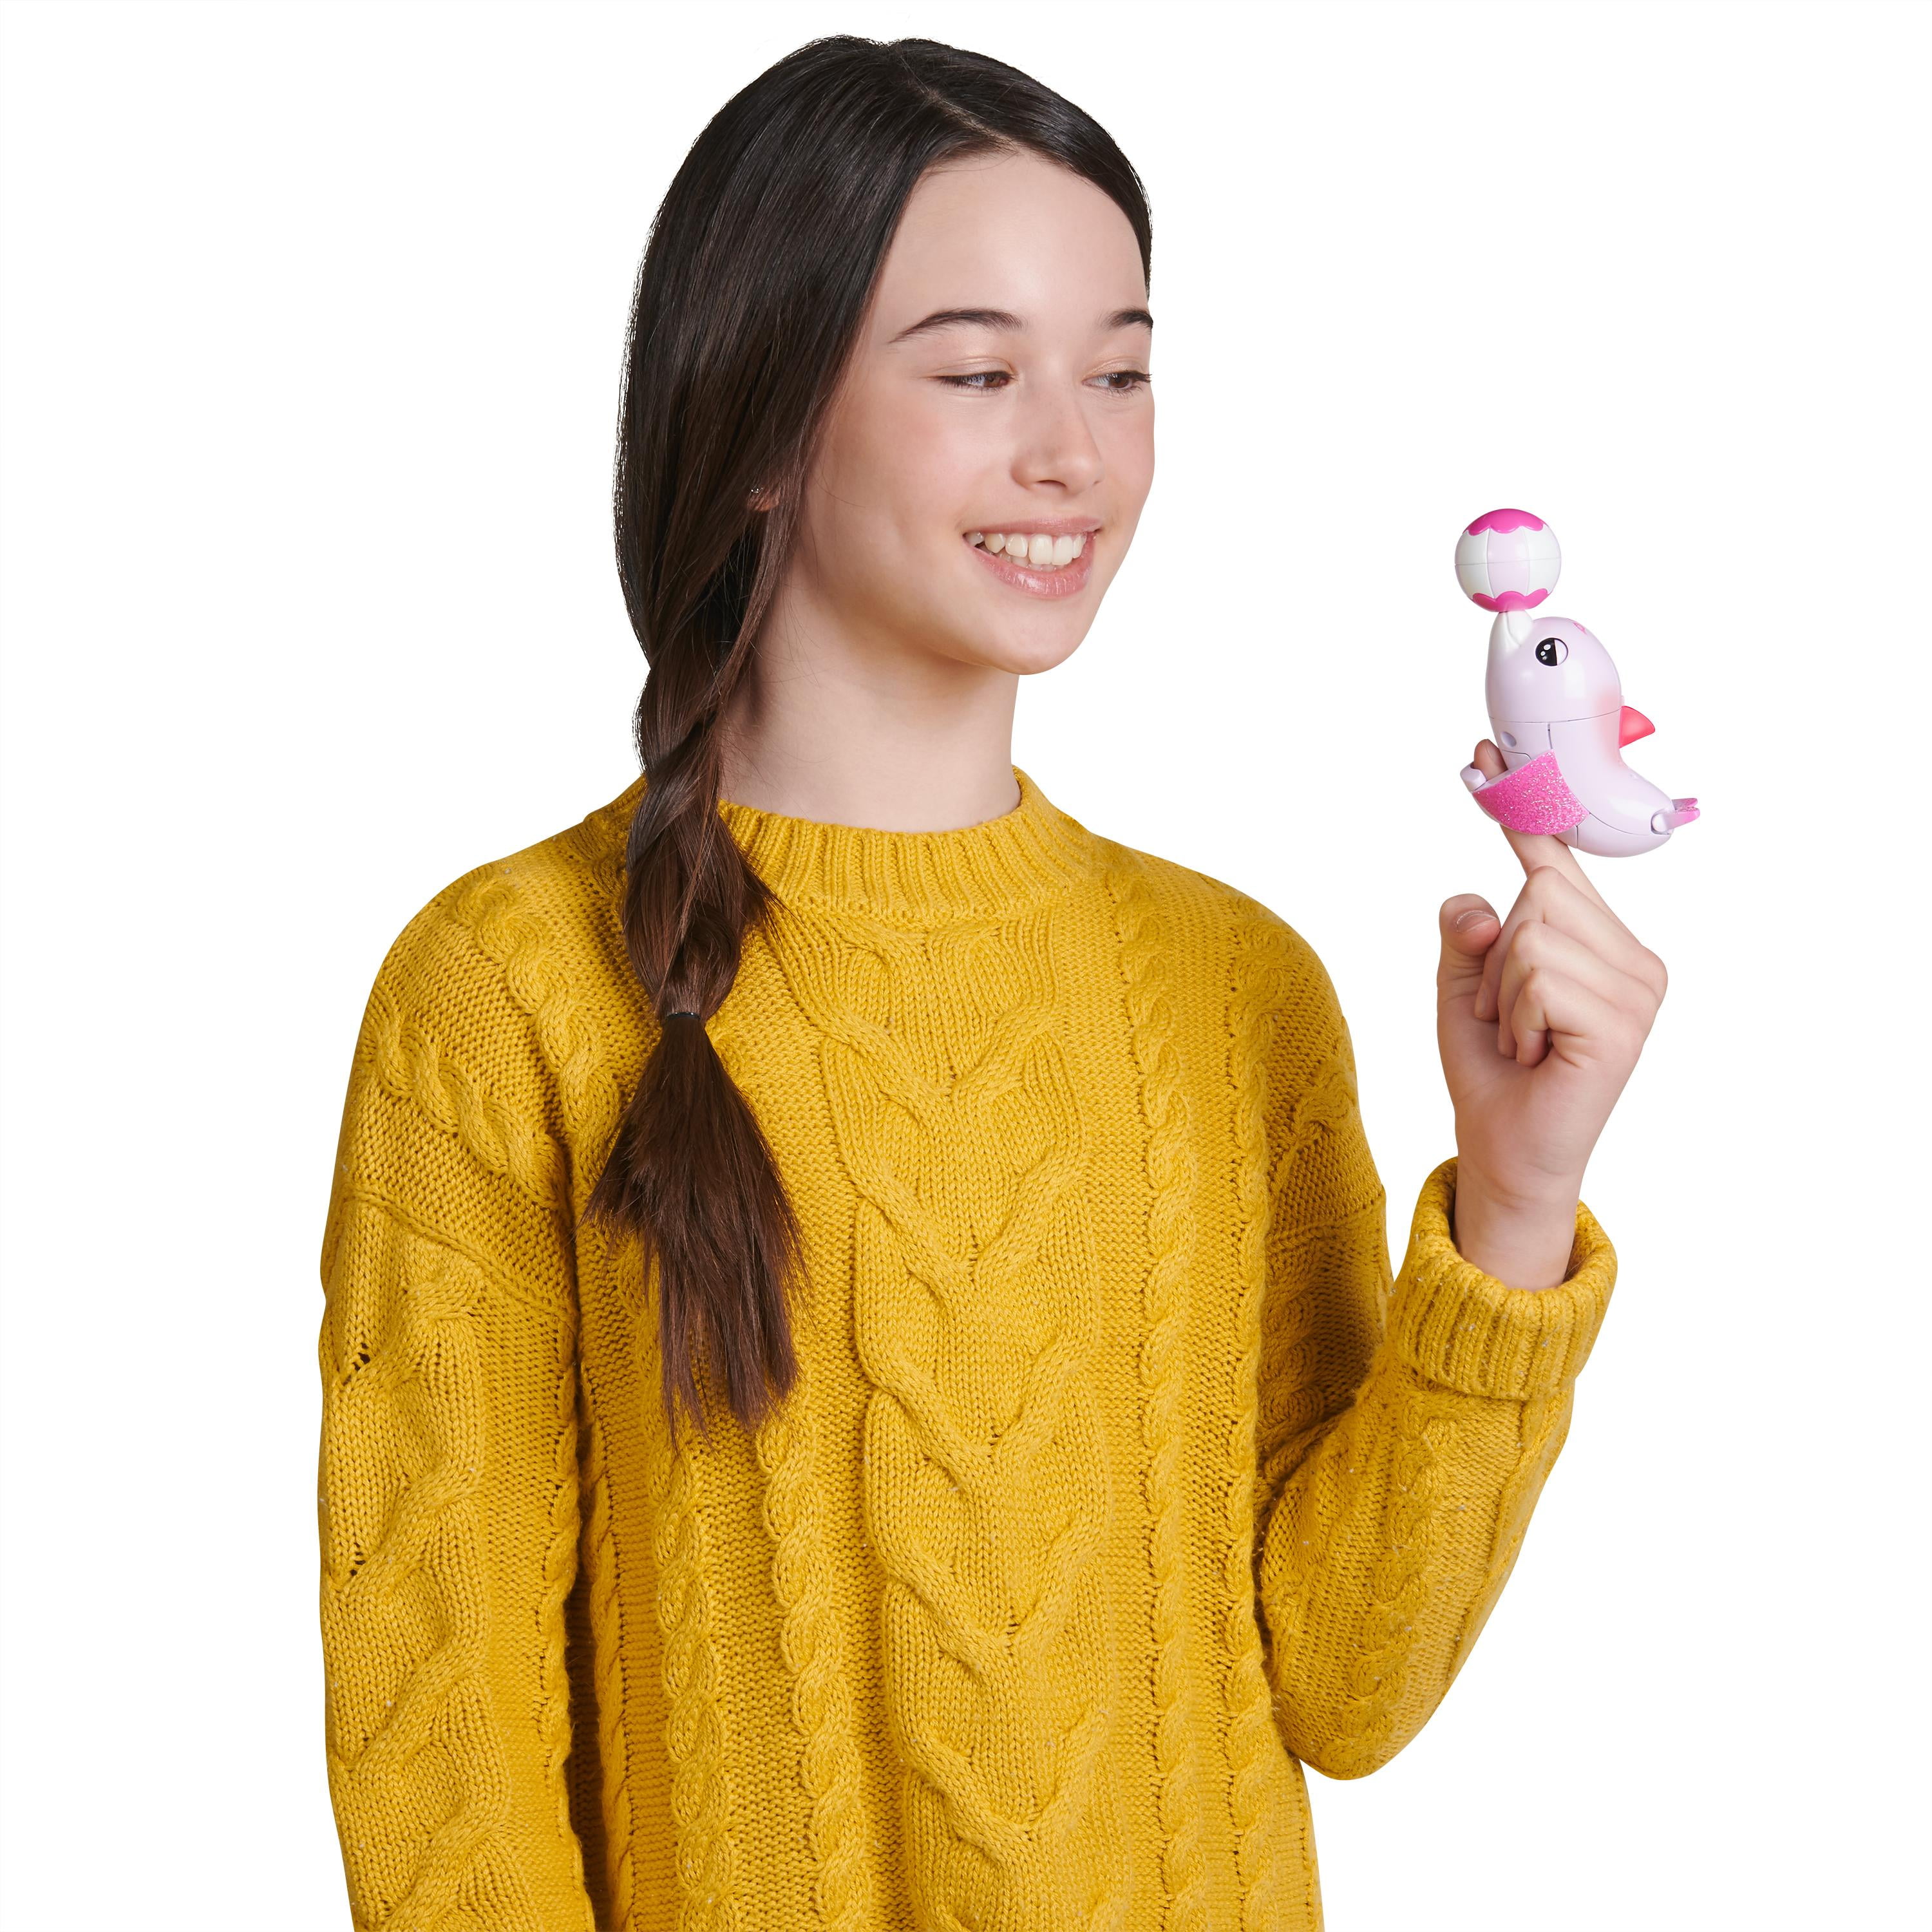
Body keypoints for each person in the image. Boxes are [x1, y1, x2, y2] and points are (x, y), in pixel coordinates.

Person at [315, 34, 1665, 1931]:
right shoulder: (509, 990)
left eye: (1120, 371)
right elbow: (443, 1767)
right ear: (760, 422)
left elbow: (1346, 1688)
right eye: (976, 373)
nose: (1075, 455)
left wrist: (1516, 1206)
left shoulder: (1235, 989)